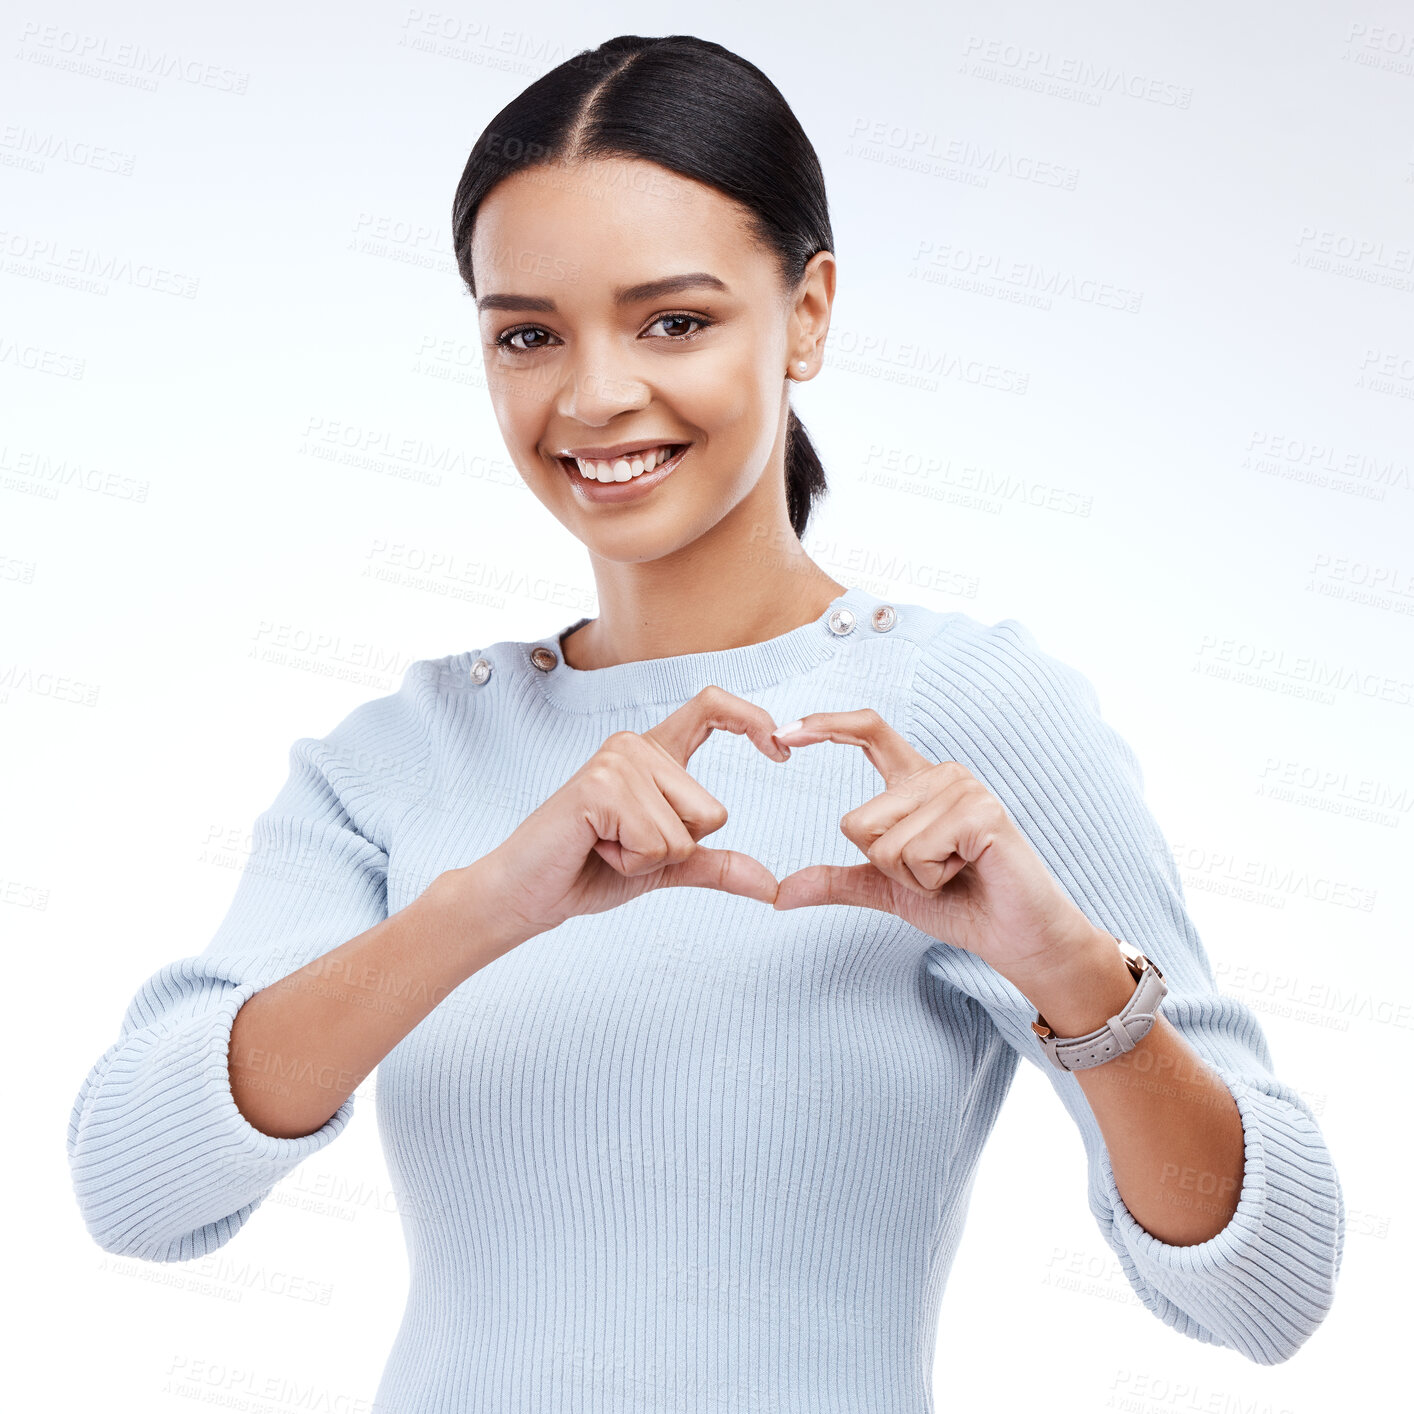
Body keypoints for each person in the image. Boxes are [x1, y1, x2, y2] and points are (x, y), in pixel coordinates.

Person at [67, 32, 1344, 1412]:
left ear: (806, 313)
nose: (594, 393)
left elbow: (1263, 1286)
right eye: (527, 333)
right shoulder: (402, 751)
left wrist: (1076, 978)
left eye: (672, 319)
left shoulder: (953, 711)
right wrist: (487, 903)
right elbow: (136, 1185)